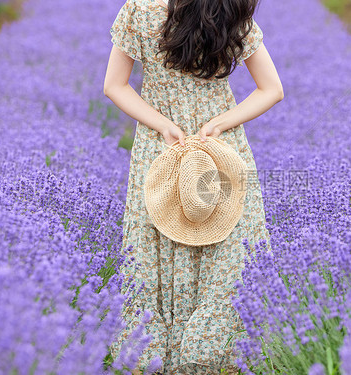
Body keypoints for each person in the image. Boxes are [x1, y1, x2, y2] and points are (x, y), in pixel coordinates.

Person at [103, 0, 284, 373]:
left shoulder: (139, 9)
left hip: (161, 149)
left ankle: (151, 360)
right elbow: (272, 89)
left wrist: (162, 124)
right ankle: (217, 357)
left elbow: (114, 86)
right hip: (218, 151)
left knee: (155, 250)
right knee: (231, 249)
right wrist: (220, 123)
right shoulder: (230, 10)